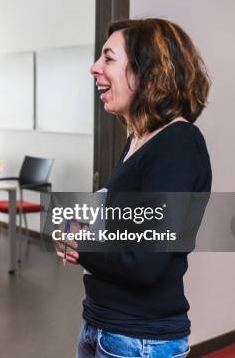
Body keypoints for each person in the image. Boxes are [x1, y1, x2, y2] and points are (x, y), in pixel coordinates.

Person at [58, 18, 212, 358]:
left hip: (139, 340)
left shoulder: (177, 145)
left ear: (147, 71)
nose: (94, 68)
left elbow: (146, 262)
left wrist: (81, 246)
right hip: (106, 325)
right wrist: (78, 226)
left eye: (108, 58)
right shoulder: (139, 138)